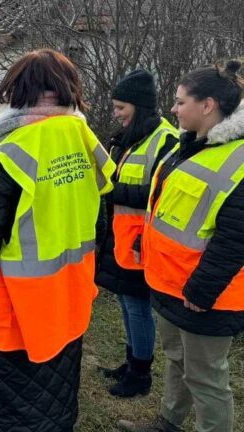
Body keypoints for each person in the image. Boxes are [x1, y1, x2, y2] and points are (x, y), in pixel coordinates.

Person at [0, 49, 115, 431]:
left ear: (17, 92)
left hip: (17, 307)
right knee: (57, 399)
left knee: (11, 411)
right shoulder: (84, 141)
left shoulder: (13, 151)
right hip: (70, 296)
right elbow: (98, 217)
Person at [117, 61, 244, 432]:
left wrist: (202, 289)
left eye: (180, 101)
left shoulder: (237, 158)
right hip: (170, 282)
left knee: (206, 379)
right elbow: (168, 207)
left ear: (207, 105)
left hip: (207, 295)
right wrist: (146, 239)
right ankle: (169, 422)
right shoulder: (188, 145)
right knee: (176, 359)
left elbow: (235, 238)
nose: (173, 109)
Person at [95, 70, 179, 398]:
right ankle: (131, 362)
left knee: (137, 305)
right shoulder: (130, 138)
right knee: (125, 302)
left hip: (143, 242)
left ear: (139, 106)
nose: (115, 113)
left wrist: (112, 191)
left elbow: (159, 193)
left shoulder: (166, 139)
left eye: (120, 107)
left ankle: (141, 374)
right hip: (120, 238)